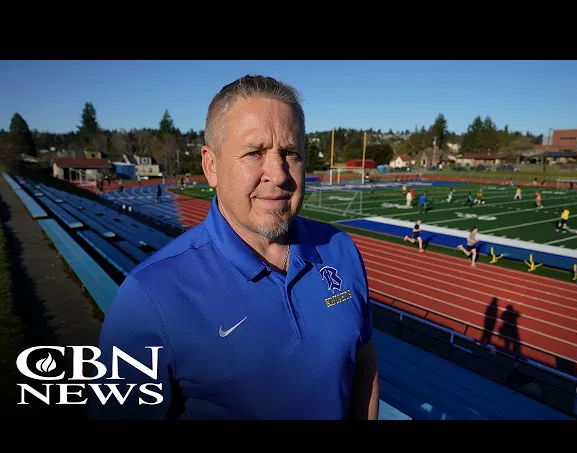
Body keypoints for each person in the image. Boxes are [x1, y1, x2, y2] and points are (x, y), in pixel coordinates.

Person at [89, 75, 379, 420]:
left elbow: (363, 360)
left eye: (290, 153)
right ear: (211, 166)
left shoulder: (341, 251)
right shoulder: (149, 296)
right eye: (254, 153)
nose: (279, 174)